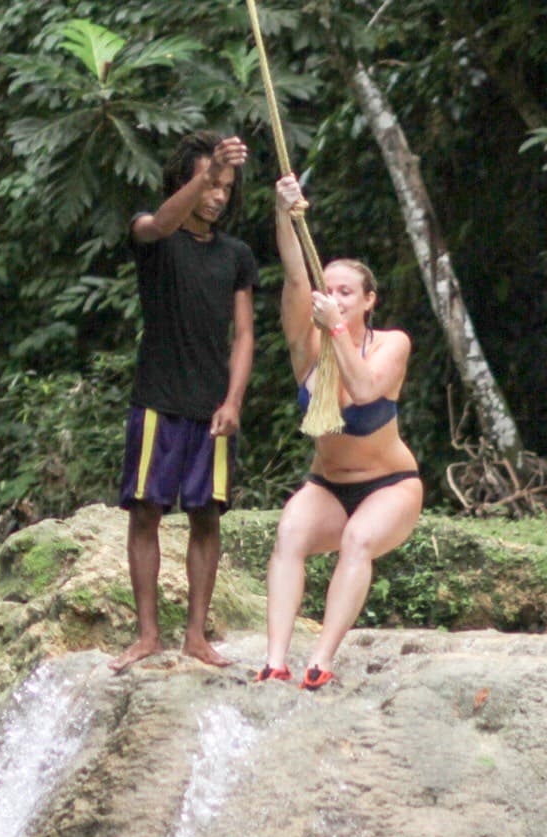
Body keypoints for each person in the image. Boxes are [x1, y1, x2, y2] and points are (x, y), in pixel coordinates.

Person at [252, 175, 421, 691]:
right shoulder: (307, 346)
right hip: (328, 483)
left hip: (390, 484)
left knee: (357, 540)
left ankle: (321, 658)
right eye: (331, 291)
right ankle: (276, 658)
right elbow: (296, 279)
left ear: (369, 301)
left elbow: (366, 389)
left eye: (346, 292)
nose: (335, 298)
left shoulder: (391, 344)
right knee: (289, 536)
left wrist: (340, 331)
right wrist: (284, 215)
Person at [114, 129, 258, 672]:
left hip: (211, 405)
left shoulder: (236, 256)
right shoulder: (152, 236)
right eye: (209, 183)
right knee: (145, 512)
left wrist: (234, 400)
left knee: (206, 516)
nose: (218, 195)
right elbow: (157, 223)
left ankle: (196, 636)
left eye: (226, 185)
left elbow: (243, 335)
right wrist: (203, 172)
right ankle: (147, 634)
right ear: (186, 181)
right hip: (156, 397)